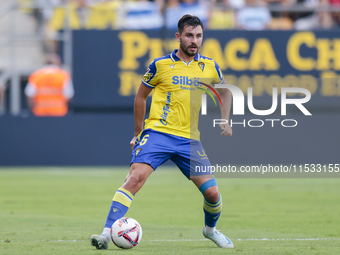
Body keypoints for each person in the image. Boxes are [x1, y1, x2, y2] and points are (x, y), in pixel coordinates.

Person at [90, 14, 234, 250]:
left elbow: (226, 91)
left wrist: (225, 120)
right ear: (178, 37)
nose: (194, 41)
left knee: (213, 194)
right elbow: (140, 97)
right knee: (134, 179)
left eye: (198, 36)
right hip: (158, 133)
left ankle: (210, 230)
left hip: (189, 140)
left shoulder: (209, 66)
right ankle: (106, 234)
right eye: (189, 35)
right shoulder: (160, 65)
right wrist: (138, 133)